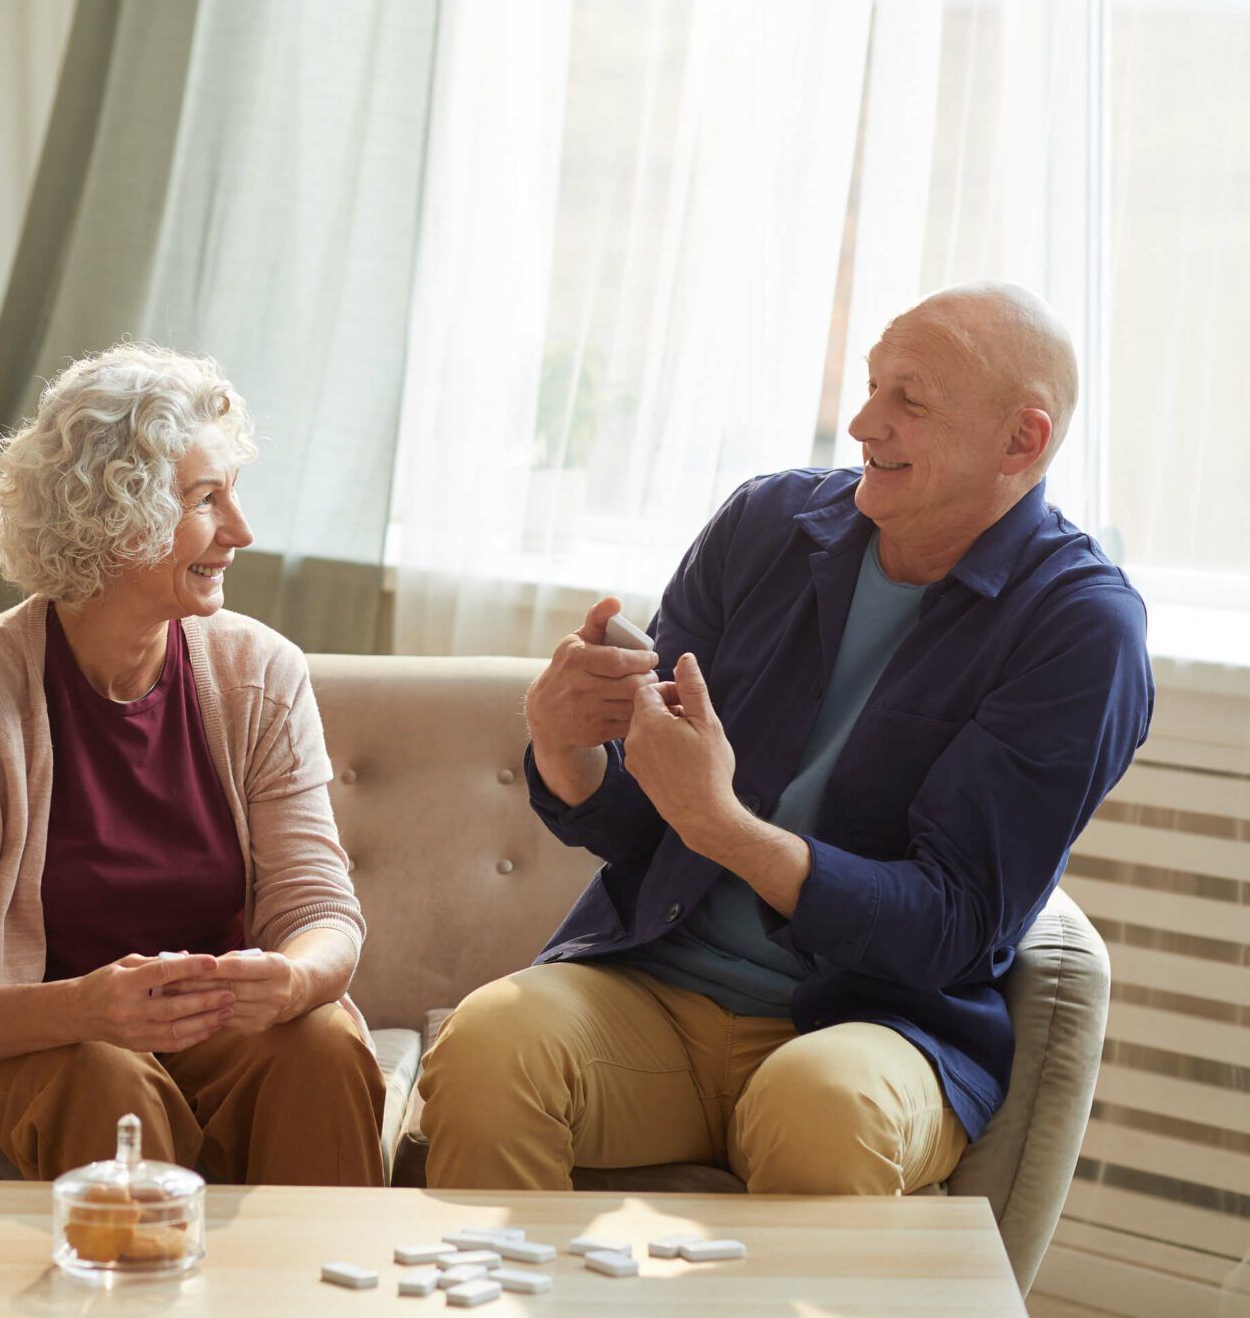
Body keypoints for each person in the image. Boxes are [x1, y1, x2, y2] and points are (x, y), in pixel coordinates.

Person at [420, 282, 1153, 1195]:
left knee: (822, 1106)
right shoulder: (765, 525)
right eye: (873, 385)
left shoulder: (1081, 630)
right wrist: (564, 747)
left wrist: (728, 827)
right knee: (492, 1043)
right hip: (655, 985)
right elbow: (651, 817)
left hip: (880, 1025)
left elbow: (953, 926)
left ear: (1022, 440)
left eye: (909, 401)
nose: (861, 423)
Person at [0, 342, 384, 1185]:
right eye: (206, 499)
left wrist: (291, 979)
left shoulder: (261, 673)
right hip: (40, 1041)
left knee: (321, 1045)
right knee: (106, 1074)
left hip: (210, 1033)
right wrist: (83, 1006)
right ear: (118, 515)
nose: (241, 531)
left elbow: (323, 910)